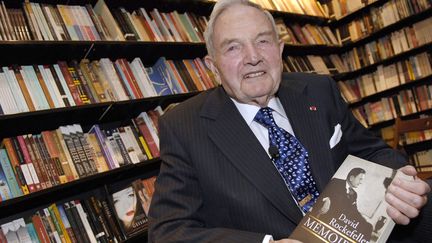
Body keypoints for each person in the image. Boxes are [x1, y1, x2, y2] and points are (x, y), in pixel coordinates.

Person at [148, 0, 431, 242]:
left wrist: (401, 178)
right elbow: (168, 231)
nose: (253, 57)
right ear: (212, 66)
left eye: (262, 41)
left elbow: (372, 151)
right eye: (233, 48)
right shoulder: (184, 126)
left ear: (280, 49)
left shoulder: (319, 91)